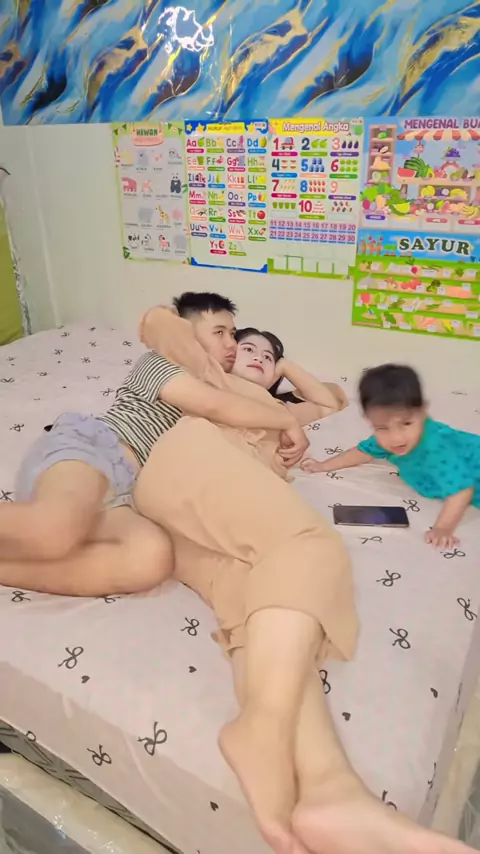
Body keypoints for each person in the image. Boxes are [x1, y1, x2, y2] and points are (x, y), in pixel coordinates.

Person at [135, 303, 472, 854]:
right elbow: (155, 321)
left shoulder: (284, 405)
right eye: (242, 344)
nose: (251, 355)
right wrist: (224, 350)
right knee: (311, 545)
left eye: (267, 355)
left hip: (202, 529)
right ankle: (261, 730)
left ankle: (331, 789)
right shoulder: (207, 375)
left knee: (264, 612)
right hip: (192, 468)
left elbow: (332, 400)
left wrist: (283, 376)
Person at [0, 294, 308, 596]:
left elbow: (325, 403)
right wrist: (285, 420)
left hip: (125, 493)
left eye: (232, 333)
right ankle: (44, 524)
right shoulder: (161, 363)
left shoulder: (228, 391)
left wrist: (283, 376)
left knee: (151, 556)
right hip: (94, 451)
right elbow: (214, 405)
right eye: (219, 333)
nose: (232, 343)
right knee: (56, 530)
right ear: (185, 333)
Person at [302, 363, 480, 550]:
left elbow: (461, 491)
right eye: (382, 427)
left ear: (423, 411)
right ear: (369, 420)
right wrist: (323, 466)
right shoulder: (383, 440)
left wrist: (442, 528)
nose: (396, 438)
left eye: (407, 423)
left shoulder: (437, 446)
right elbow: (363, 452)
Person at [233, 327, 348, 425]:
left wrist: (285, 366)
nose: (259, 358)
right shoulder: (221, 397)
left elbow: (330, 406)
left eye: (268, 357)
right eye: (249, 349)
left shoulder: (276, 412)